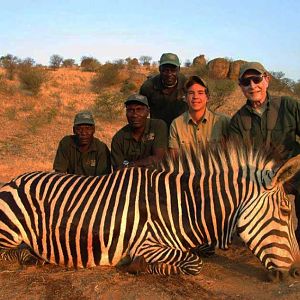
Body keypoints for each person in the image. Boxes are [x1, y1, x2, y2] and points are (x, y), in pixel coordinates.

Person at [229, 61, 300, 242]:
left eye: (256, 79)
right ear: (241, 87)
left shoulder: (289, 105)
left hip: (293, 174)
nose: (252, 86)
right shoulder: (237, 120)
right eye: (246, 82)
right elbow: (237, 159)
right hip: (260, 180)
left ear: (266, 80)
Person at [169, 75, 230, 156]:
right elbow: (174, 159)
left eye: (200, 93)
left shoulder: (223, 121)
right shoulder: (176, 124)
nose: (195, 97)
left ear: (207, 97)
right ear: (186, 97)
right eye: (191, 93)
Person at [111, 94, 168, 169]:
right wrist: (147, 162)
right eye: (130, 110)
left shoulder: (158, 126)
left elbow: (158, 159)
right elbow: (118, 170)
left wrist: (130, 165)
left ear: (148, 112)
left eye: (139, 109)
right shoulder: (118, 138)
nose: (135, 115)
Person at [53, 110, 111, 176]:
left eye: (88, 129)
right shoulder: (66, 143)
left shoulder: (101, 148)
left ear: (93, 130)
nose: (83, 133)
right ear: (74, 130)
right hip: (70, 184)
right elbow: (59, 173)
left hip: (94, 185)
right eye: (79, 129)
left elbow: (102, 178)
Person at [140, 52, 187, 128]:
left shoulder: (187, 85)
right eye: (165, 70)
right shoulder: (148, 87)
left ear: (179, 69)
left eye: (173, 70)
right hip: (158, 129)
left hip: (182, 128)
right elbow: (140, 111)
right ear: (159, 69)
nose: (169, 74)